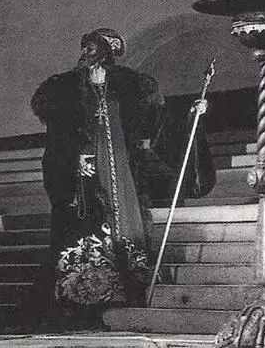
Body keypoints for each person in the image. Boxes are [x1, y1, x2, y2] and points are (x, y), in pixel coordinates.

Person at [30, 28, 214, 329]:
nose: (87, 53)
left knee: (126, 221)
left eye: (94, 48)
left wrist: (192, 116)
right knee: (85, 223)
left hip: (122, 168)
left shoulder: (130, 87)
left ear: (107, 53)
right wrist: (74, 158)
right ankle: (83, 297)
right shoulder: (64, 88)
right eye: (85, 47)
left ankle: (129, 288)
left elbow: (159, 125)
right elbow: (58, 136)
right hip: (84, 172)